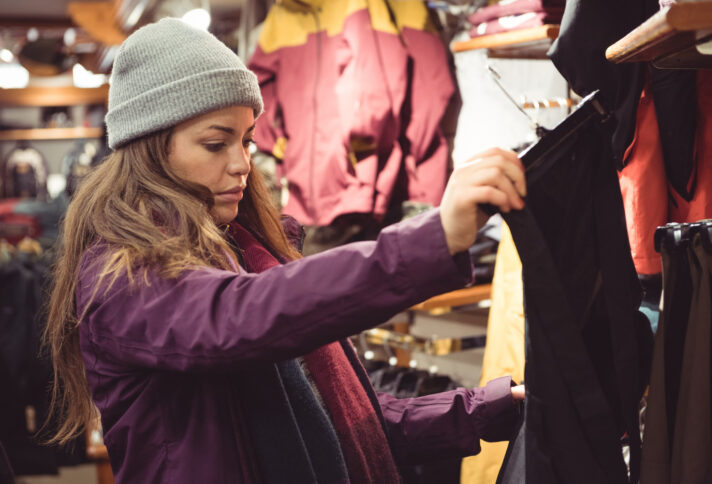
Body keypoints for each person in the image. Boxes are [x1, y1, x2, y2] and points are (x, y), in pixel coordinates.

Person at [45, 18, 527, 484]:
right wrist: (432, 237)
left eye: (248, 140)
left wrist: (486, 409)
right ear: (150, 149)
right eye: (216, 143)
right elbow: (237, 316)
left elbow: (350, 424)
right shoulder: (120, 274)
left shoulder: (248, 252)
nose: (241, 164)